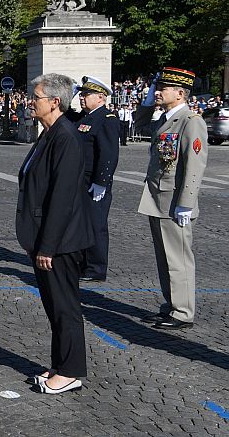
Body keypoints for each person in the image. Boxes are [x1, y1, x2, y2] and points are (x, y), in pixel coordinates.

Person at [16, 73, 94, 395]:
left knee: (65, 307)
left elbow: (62, 198)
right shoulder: (49, 133)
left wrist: (47, 246)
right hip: (47, 236)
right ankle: (60, 364)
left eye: (35, 97)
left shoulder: (66, 137)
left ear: (54, 102)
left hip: (61, 241)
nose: (30, 102)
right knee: (53, 306)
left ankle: (72, 370)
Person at [134, 67, 208, 330]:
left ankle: (183, 311)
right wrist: (149, 96)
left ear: (179, 93)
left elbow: (194, 166)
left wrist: (186, 203)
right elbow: (139, 123)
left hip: (175, 202)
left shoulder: (191, 121)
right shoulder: (166, 118)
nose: (158, 92)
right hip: (158, 200)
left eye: (163, 88)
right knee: (165, 258)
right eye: (158, 87)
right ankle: (171, 305)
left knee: (178, 260)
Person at [67, 76, 120, 282]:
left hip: (93, 181)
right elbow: (66, 118)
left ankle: (96, 268)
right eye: (81, 94)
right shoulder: (85, 117)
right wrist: (67, 96)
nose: (82, 98)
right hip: (80, 180)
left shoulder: (107, 119)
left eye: (86, 94)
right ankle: (83, 263)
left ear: (100, 97)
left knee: (95, 224)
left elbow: (108, 153)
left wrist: (102, 182)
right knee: (81, 223)